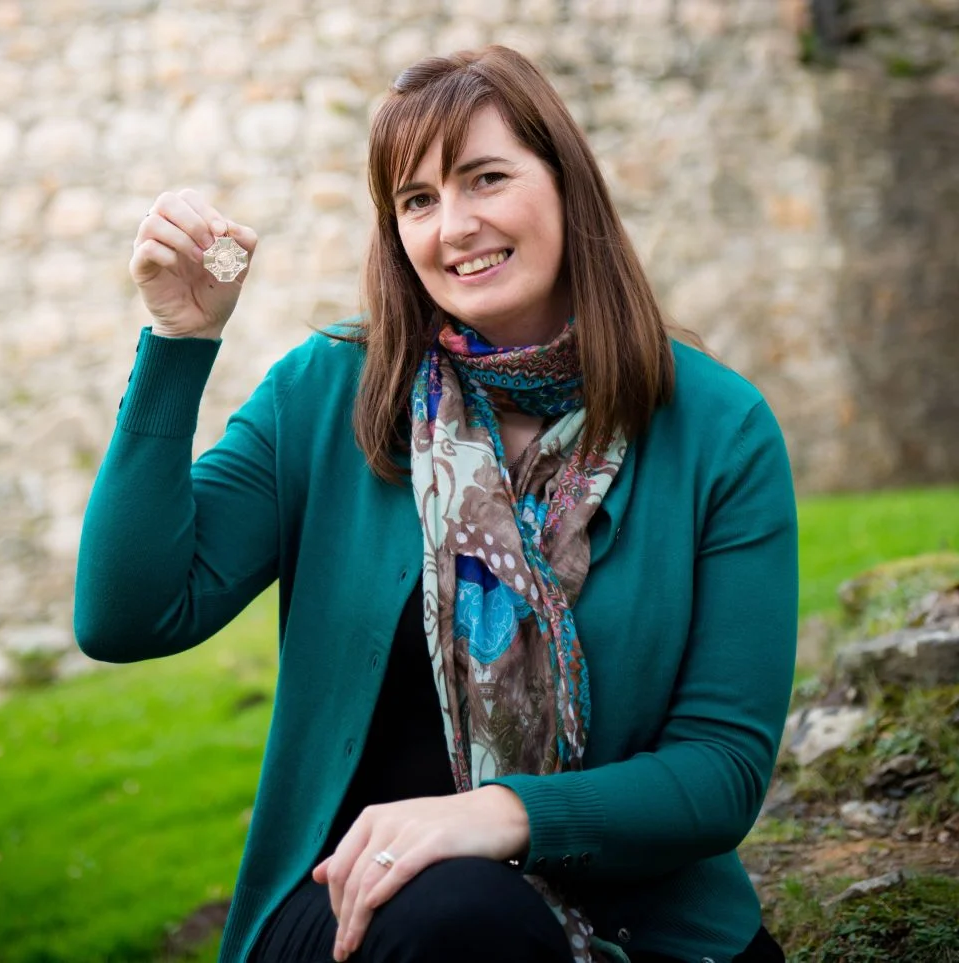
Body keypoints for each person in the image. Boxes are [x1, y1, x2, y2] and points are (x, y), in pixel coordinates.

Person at [75, 46, 797, 963]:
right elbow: (125, 615)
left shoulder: (720, 428)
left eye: (486, 178)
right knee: (464, 916)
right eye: (417, 200)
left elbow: (723, 770)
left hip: (647, 928)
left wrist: (498, 815)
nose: (454, 226)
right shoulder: (327, 392)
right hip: (353, 905)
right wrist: (179, 341)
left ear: (566, 185)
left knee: (479, 910)